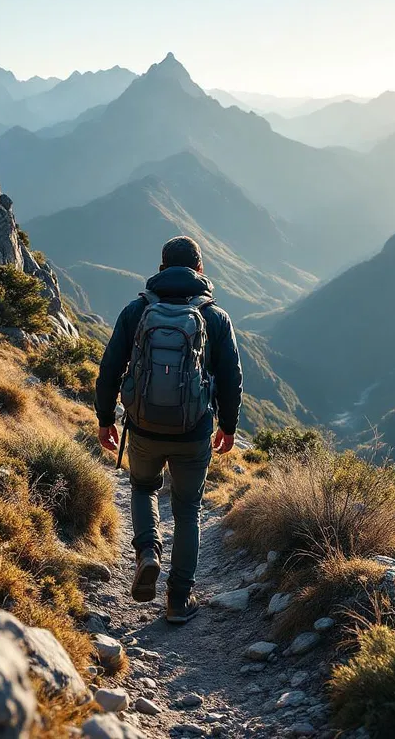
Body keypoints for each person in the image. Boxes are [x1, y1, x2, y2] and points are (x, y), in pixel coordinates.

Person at [95, 236, 243, 624]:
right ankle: (178, 600)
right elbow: (231, 377)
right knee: (188, 509)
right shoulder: (215, 317)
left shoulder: (137, 310)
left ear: (162, 268)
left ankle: (148, 552)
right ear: (200, 270)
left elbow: (110, 367)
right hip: (193, 431)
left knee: (143, 489)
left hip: (142, 426)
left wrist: (105, 418)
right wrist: (228, 425)